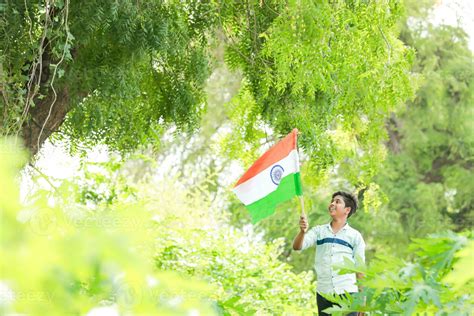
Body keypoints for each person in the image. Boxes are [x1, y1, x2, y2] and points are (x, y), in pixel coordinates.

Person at [293, 191, 365, 316]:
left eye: (337, 202)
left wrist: (362, 299)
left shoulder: (355, 236)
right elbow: (297, 246)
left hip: (348, 293)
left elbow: (360, 268)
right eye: (332, 201)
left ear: (347, 210)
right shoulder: (319, 231)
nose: (332, 203)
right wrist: (302, 232)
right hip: (324, 294)